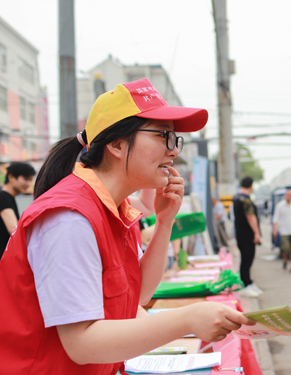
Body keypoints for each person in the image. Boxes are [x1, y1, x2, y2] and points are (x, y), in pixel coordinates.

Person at [0, 78, 254, 374]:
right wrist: (187, 319)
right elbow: (82, 343)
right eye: (164, 136)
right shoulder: (69, 217)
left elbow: (140, 293)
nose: (173, 151)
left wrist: (164, 222)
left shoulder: (115, 208)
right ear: (117, 144)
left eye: (175, 139)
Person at [233, 176, 263, 298]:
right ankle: (245, 285)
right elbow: (251, 217)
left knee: (245, 259)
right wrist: (257, 233)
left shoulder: (236, 197)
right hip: (247, 235)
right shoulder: (245, 200)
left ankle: (248, 283)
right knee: (247, 260)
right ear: (251, 186)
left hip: (240, 234)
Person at [0, 161, 36, 259]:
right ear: (11, 177)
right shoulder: (3, 197)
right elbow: (13, 229)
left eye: (30, 180)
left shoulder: (9, 197)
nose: (28, 184)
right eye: (25, 179)